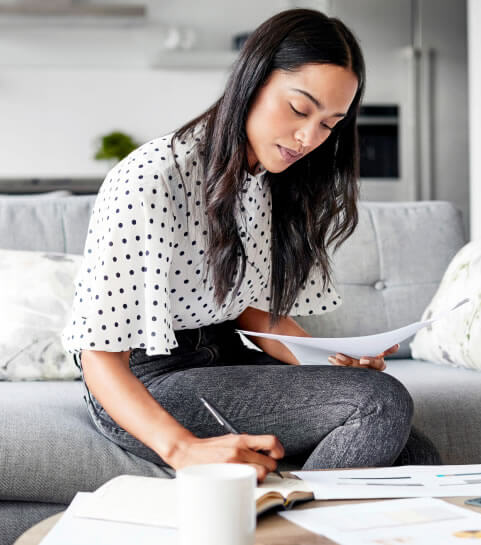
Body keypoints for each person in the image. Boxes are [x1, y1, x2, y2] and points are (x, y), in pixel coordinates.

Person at [62, 8, 440, 482]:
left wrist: (335, 361)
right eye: (300, 109)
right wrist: (182, 449)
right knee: (380, 402)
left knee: (415, 456)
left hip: (224, 358)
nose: (309, 138)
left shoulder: (271, 179)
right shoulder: (153, 177)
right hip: (145, 384)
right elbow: (99, 355)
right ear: (252, 80)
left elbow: (252, 313)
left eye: (329, 124)